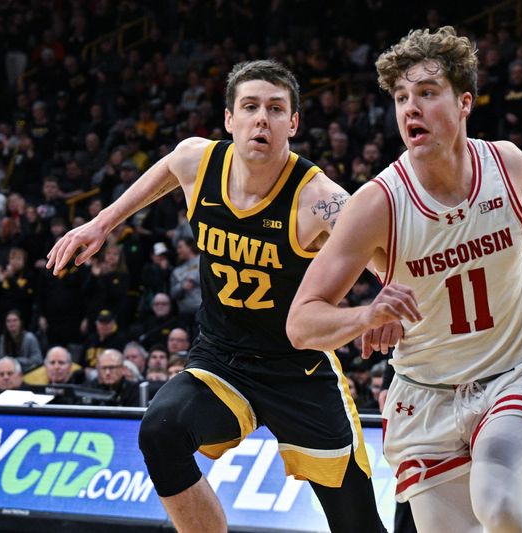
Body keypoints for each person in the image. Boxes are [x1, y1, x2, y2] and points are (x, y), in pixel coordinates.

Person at [287, 27, 522, 533]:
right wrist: (366, 314)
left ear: (464, 103)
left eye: (427, 94)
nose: (411, 108)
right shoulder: (377, 205)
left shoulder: (507, 163)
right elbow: (301, 323)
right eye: (401, 97)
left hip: (509, 373)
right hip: (425, 395)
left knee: (500, 506)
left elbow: (514, 231)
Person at [47, 60, 383, 533]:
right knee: (160, 431)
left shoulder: (321, 199)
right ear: (229, 119)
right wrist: (102, 223)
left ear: (294, 123)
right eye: (249, 106)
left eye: (275, 108)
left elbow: (388, 260)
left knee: (359, 525)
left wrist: (385, 301)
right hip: (222, 360)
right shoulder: (197, 161)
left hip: (299, 371)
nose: (261, 118)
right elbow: (165, 170)